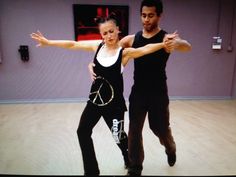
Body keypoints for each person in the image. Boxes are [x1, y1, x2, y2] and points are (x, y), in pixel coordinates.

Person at [30, 13, 177, 176]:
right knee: (82, 132)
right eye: (105, 33)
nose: (109, 36)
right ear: (101, 35)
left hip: (114, 106)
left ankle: (126, 157)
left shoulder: (124, 53)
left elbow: (144, 49)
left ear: (117, 30)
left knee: (119, 137)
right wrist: (49, 42)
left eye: (111, 31)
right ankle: (91, 171)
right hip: (94, 102)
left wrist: (162, 44)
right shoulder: (97, 47)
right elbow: (73, 44)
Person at [87, 0, 192, 176]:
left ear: (159, 15)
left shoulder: (165, 38)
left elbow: (187, 46)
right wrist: (92, 64)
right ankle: (135, 167)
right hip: (138, 93)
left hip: (158, 93)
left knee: (159, 129)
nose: (146, 19)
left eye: (151, 15)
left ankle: (170, 147)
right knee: (134, 130)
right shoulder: (132, 39)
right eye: (143, 15)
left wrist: (176, 43)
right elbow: (108, 51)